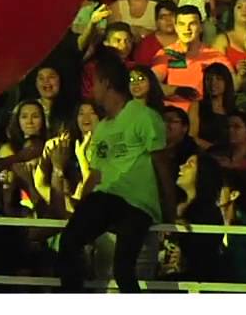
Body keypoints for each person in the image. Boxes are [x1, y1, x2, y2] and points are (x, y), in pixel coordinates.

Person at [57, 56, 175, 293]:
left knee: (123, 270)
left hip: (138, 203)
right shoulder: (103, 127)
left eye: (95, 82)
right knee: (69, 242)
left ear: (107, 83)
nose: (92, 89)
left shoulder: (144, 116)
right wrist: (80, 208)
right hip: (108, 198)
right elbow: (96, 175)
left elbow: (163, 166)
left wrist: (169, 213)